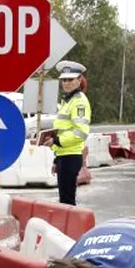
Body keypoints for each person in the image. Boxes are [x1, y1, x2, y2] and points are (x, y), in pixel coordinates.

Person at [48, 60, 91, 206]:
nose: (66, 83)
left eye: (70, 79)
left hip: (71, 157)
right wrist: (56, 159)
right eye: (64, 80)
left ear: (79, 80)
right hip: (63, 156)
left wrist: (57, 141)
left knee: (67, 201)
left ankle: (72, 229)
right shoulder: (68, 100)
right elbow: (64, 129)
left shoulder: (79, 102)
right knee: (64, 200)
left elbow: (81, 133)